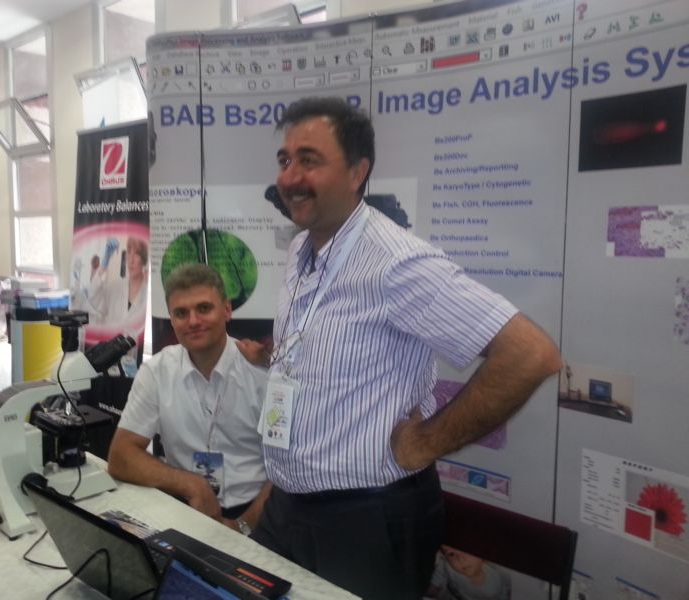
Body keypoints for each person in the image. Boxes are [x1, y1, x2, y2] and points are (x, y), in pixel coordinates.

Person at [237, 96, 562, 599]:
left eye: (309, 160)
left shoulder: (395, 263)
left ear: (357, 172)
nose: (290, 177)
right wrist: (275, 357)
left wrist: (427, 442)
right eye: (285, 160)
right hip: (289, 505)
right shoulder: (302, 248)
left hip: (366, 520)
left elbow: (531, 355)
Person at [107, 263, 271, 534]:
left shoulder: (262, 374)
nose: (193, 321)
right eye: (181, 313)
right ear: (171, 319)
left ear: (227, 309)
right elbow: (121, 456)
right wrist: (191, 484)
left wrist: (242, 526)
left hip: (257, 517)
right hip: (185, 508)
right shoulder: (157, 371)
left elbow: (286, 473)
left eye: (204, 308)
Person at [426, 545, 511, 600]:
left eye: (466, 550)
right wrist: (430, 592)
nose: (460, 559)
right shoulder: (447, 564)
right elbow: (436, 580)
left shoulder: (494, 585)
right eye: (451, 554)